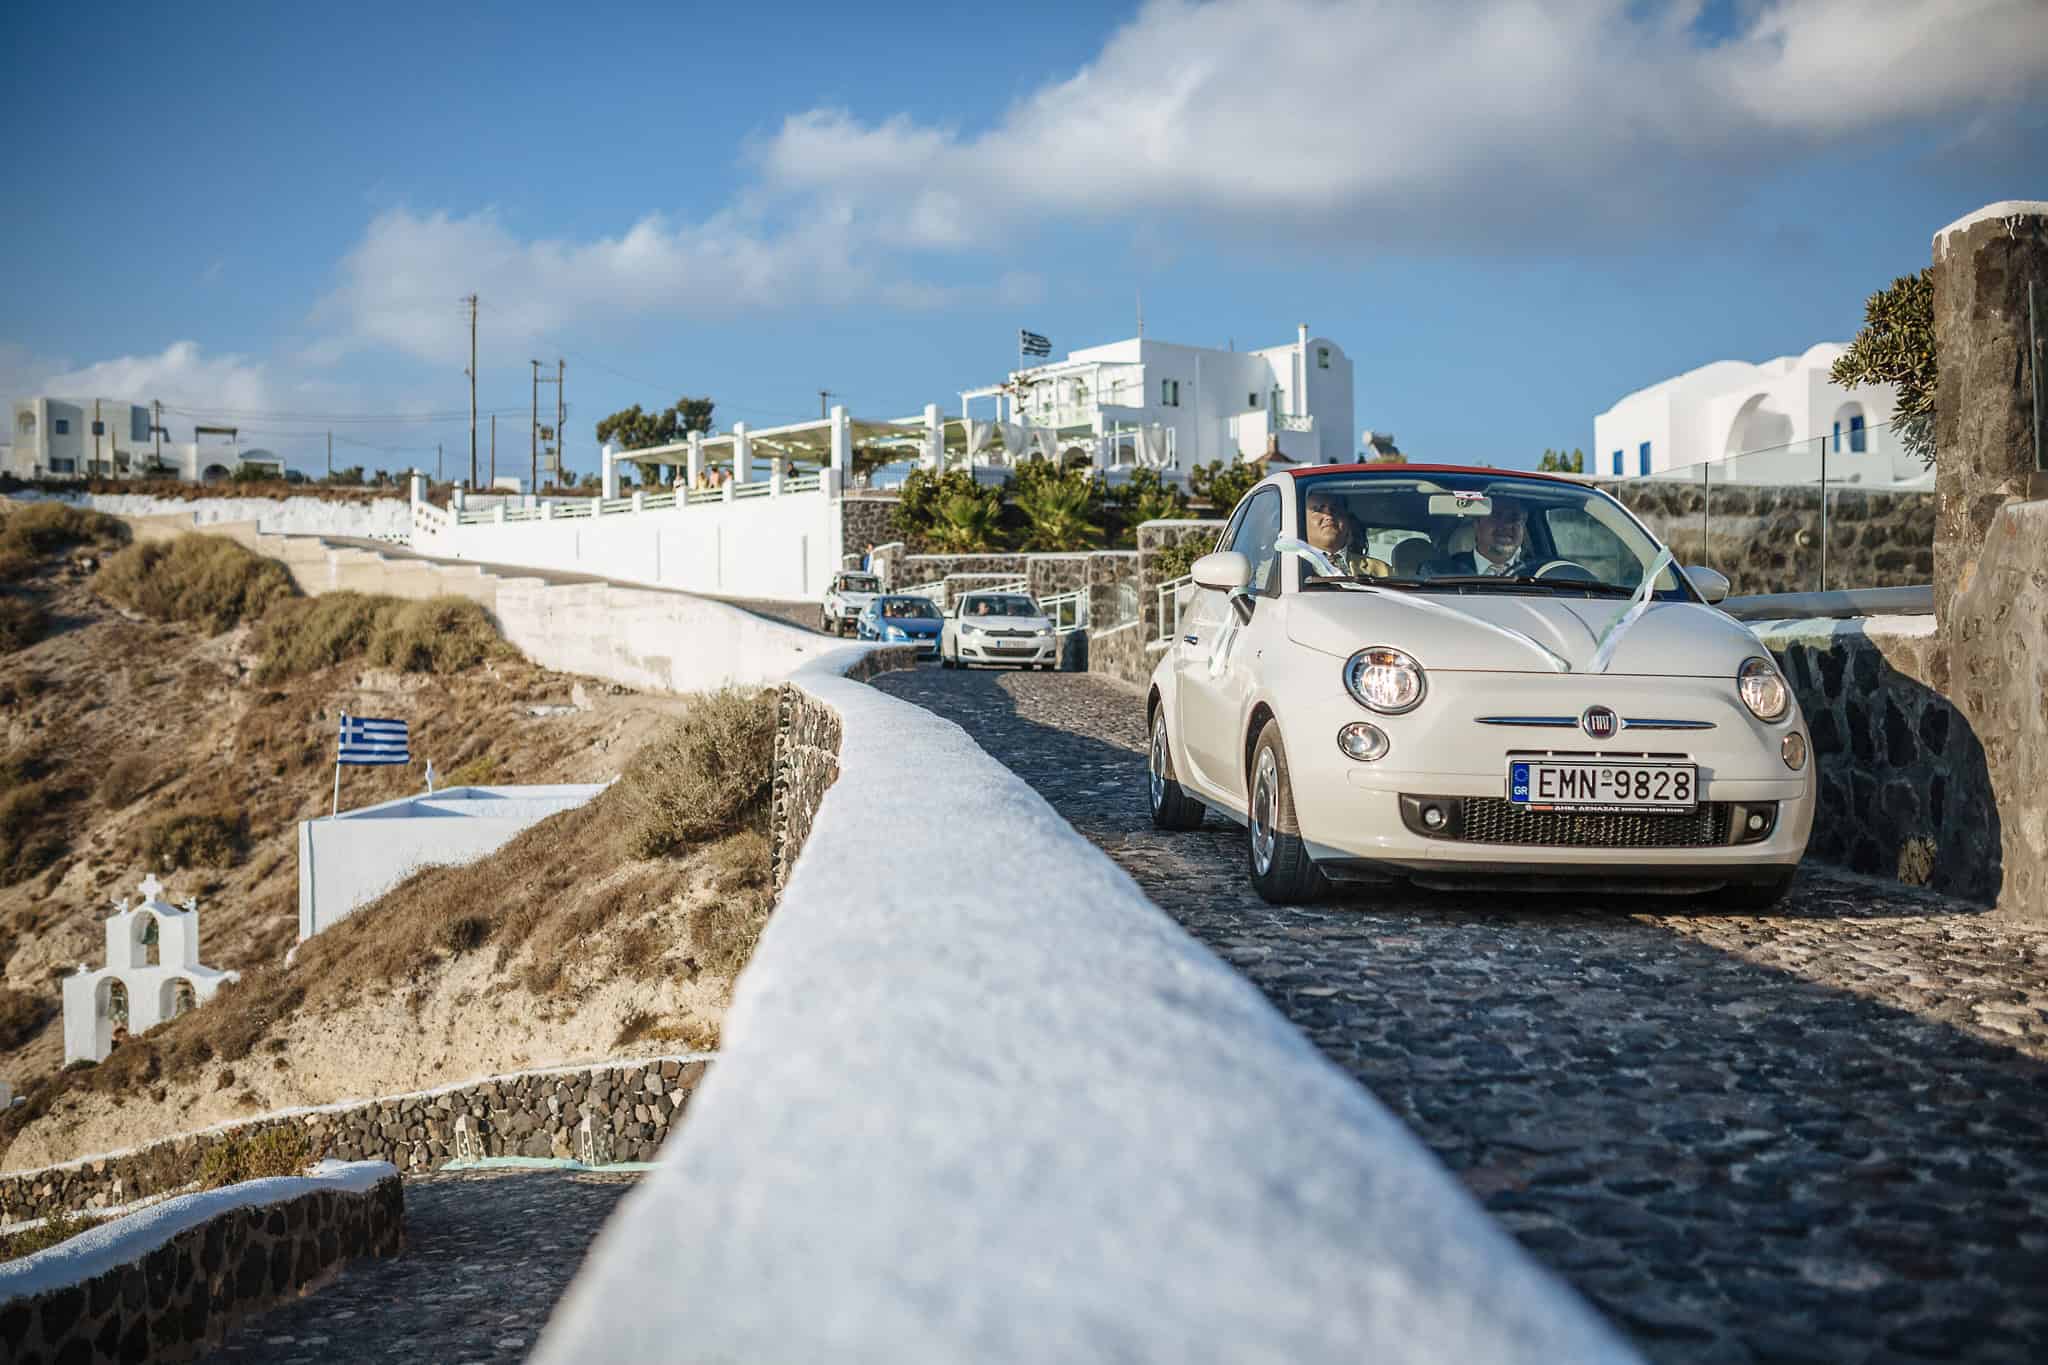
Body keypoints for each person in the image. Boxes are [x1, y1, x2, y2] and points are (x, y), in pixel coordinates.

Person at [1421, 494, 1533, 577]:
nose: (1506, 525)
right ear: (1477, 524)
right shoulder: (1438, 573)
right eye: (1496, 516)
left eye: (1514, 517)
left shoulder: (1538, 574)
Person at [1302, 488, 1392, 577]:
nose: (1329, 515)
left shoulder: (1381, 570)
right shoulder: (1291, 567)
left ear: (1347, 521)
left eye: (1335, 509)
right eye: (1318, 510)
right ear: (1301, 521)